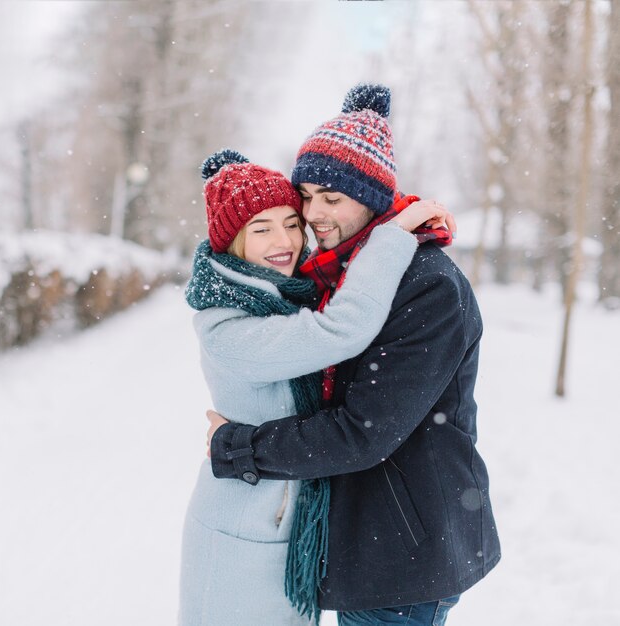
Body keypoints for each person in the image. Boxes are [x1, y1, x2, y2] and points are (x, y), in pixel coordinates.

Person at [207, 84, 501, 626]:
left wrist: (240, 447)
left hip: (405, 553)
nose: (313, 213)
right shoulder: (345, 273)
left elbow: (363, 432)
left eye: (332, 197)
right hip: (368, 540)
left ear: (372, 198)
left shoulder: (427, 287)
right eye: (307, 195)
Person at [179, 147, 454, 626]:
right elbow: (342, 330)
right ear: (232, 243)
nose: (283, 240)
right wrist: (389, 237)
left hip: (285, 518)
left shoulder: (287, 299)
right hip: (247, 523)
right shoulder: (228, 327)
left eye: (290, 222)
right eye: (260, 230)